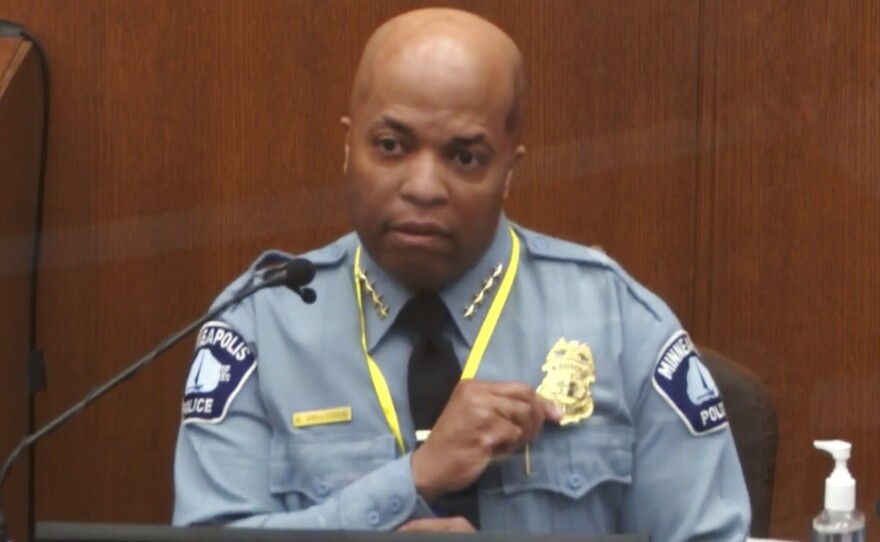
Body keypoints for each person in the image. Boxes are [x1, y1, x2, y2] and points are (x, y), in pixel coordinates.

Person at [173, 7, 751, 540]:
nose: (423, 187)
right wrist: (411, 481)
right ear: (348, 146)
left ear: (508, 169)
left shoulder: (620, 325)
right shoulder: (259, 328)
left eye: (465, 157)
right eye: (391, 145)